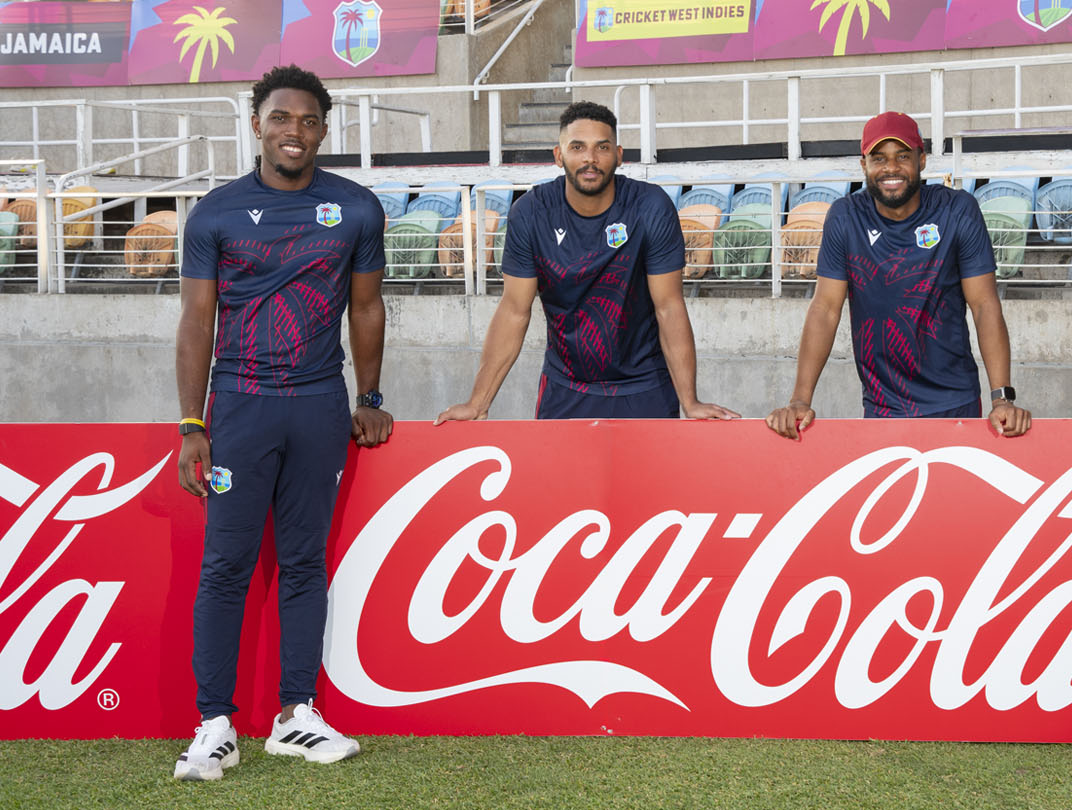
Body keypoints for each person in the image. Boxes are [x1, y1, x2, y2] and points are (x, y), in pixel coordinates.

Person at [172, 64, 393, 781]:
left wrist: (370, 396)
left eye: (307, 120)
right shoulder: (215, 213)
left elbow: (366, 307)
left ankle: (296, 714)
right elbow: (196, 320)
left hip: (318, 405)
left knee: (304, 564)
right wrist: (191, 423)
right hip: (239, 406)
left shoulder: (356, 208)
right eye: (280, 118)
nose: (293, 131)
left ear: (323, 130)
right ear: (256, 125)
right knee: (225, 566)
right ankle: (215, 726)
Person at [434, 101, 736, 422]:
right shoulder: (531, 213)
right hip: (566, 388)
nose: (590, 158)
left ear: (618, 155)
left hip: (645, 387)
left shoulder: (650, 207)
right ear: (558, 155)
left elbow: (669, 307)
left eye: (601, 147)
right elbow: (513, 311)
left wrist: (690, 401)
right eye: (577, 147)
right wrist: (478, 402)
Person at [765, 111, 1030, 437]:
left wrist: (1002, 399)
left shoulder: (957, 210)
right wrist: (799, 400)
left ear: (922, 160)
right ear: (864, 165)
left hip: (955, 401)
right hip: (883, 406)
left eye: (902, 156)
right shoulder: (846, 217)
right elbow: (825, 308)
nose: (891, 167)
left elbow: (984, 305)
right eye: (879, 158)